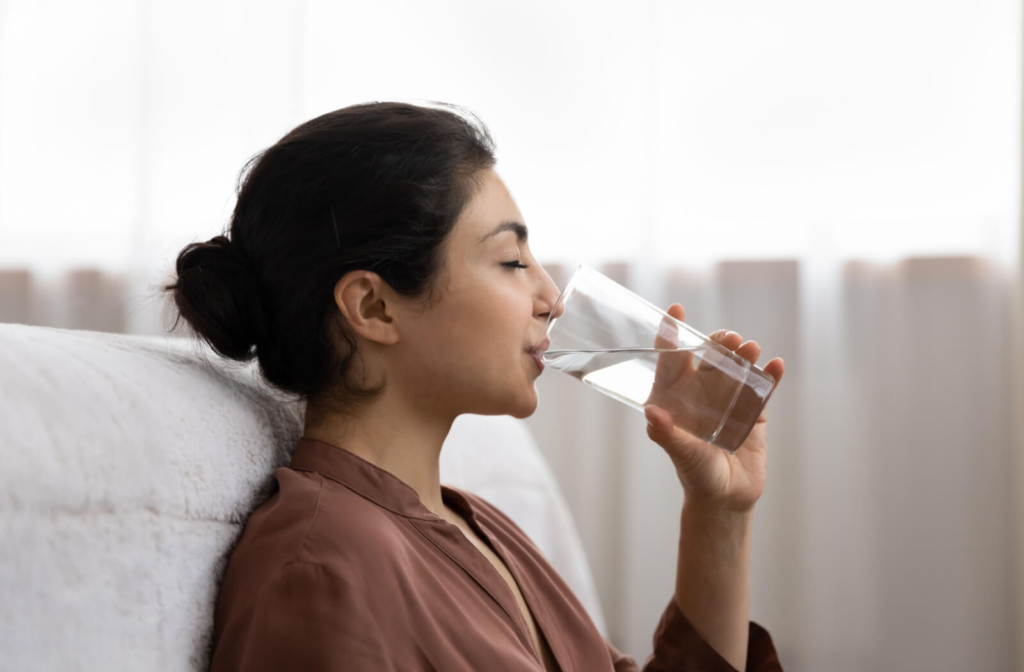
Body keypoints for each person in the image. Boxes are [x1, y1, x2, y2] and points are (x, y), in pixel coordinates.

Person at [163, 101, 786, 671]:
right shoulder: (321, 571)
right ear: (375, 308)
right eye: (513, 262)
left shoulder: (480, 527)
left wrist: (720, 512)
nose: (551, 299)